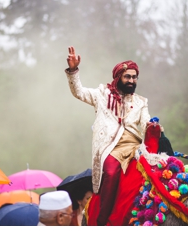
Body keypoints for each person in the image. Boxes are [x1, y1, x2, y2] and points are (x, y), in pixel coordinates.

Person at [64, 46, 158, 226]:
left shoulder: (141, 101)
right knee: (111, 171)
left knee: (153, 169)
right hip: (110, 147)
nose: (131, 80)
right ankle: (102, 221)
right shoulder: (102, 94)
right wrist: (73, 70)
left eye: (134, 77)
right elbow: (79, 92)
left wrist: (153, 126)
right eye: (127, 77)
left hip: (134, 146)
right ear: (118, 78)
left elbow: (145, 123)